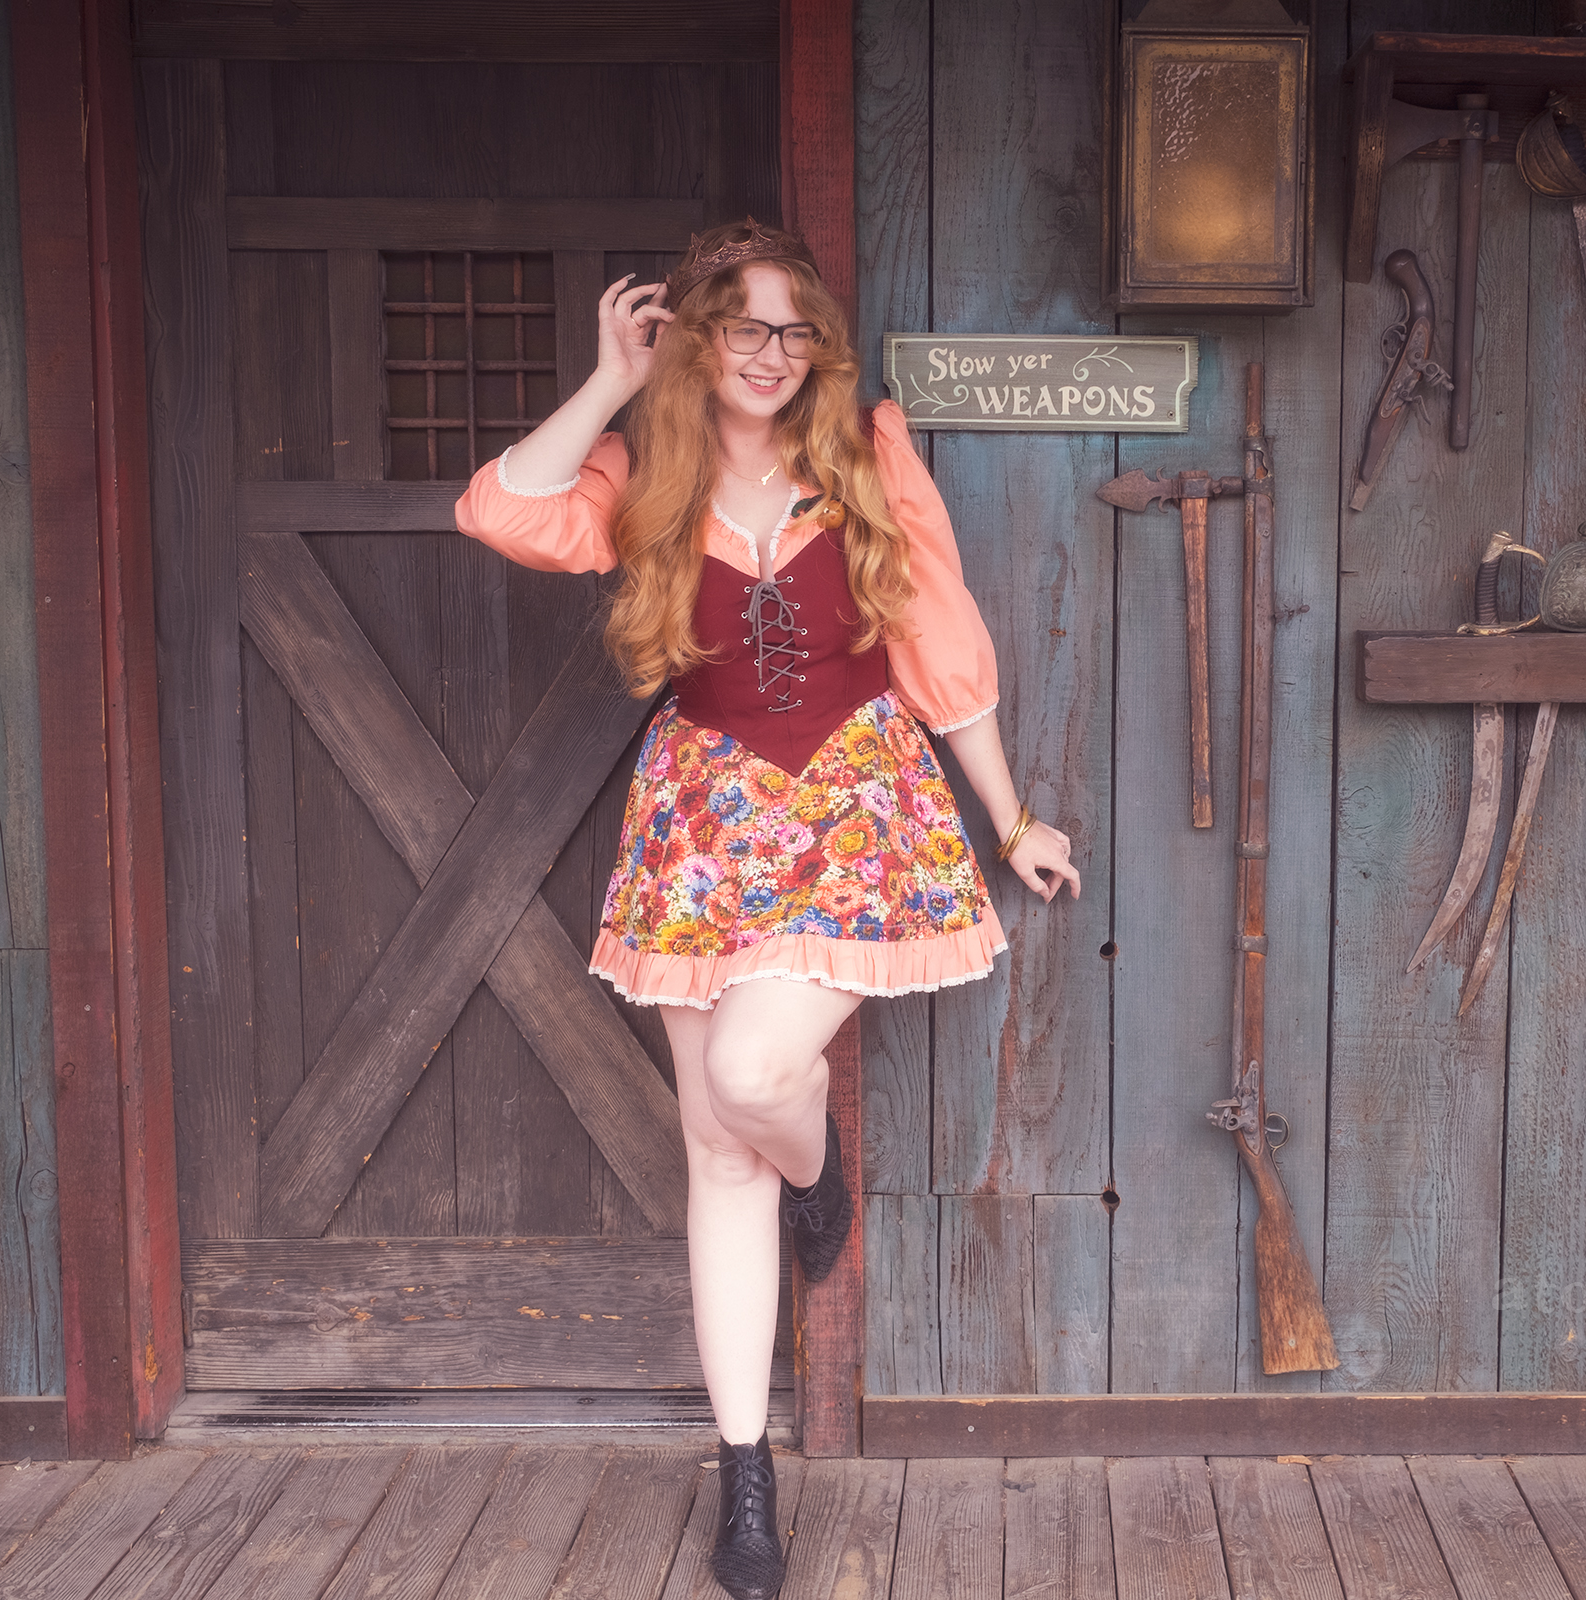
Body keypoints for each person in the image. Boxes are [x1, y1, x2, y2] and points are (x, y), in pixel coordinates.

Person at [454, 219, 1077, 1599]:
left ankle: (821, 1172)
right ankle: (747, 1479)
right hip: (704, 812)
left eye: (794, 332)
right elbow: (498, 507)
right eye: (741, 327)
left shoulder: (863, 454)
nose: (770, 355)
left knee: (751, 1075)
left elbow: (940, 640)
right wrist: (610, 384)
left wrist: (1013, 816)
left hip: (860, 799)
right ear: (694, 337)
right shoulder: (639, 471)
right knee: (714, 1151)